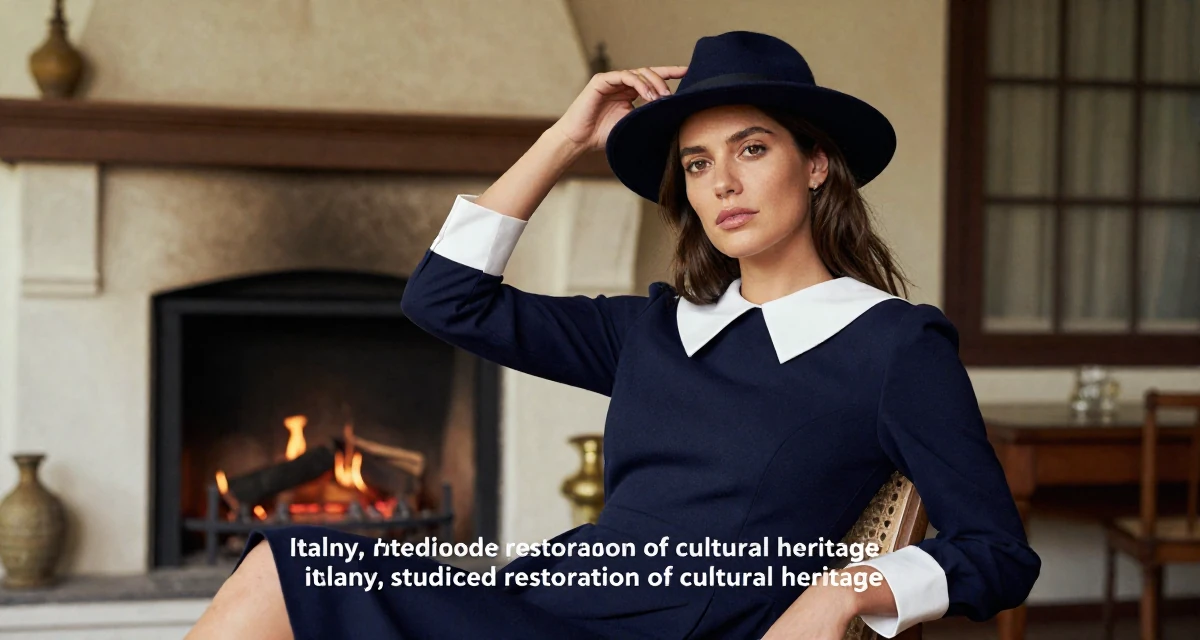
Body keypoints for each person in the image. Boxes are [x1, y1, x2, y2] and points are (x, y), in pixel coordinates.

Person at [187, 31, 1040, 640]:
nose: (723, 184)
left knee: (291, 570)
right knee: (293, 561)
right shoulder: (656, 329)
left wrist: (841, 594)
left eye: (752, 148)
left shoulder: (893, 347)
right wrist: (564, 140)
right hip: (541, 602)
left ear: (815, 166)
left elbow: (998, 553)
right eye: (699, 163)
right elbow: (444, 299)